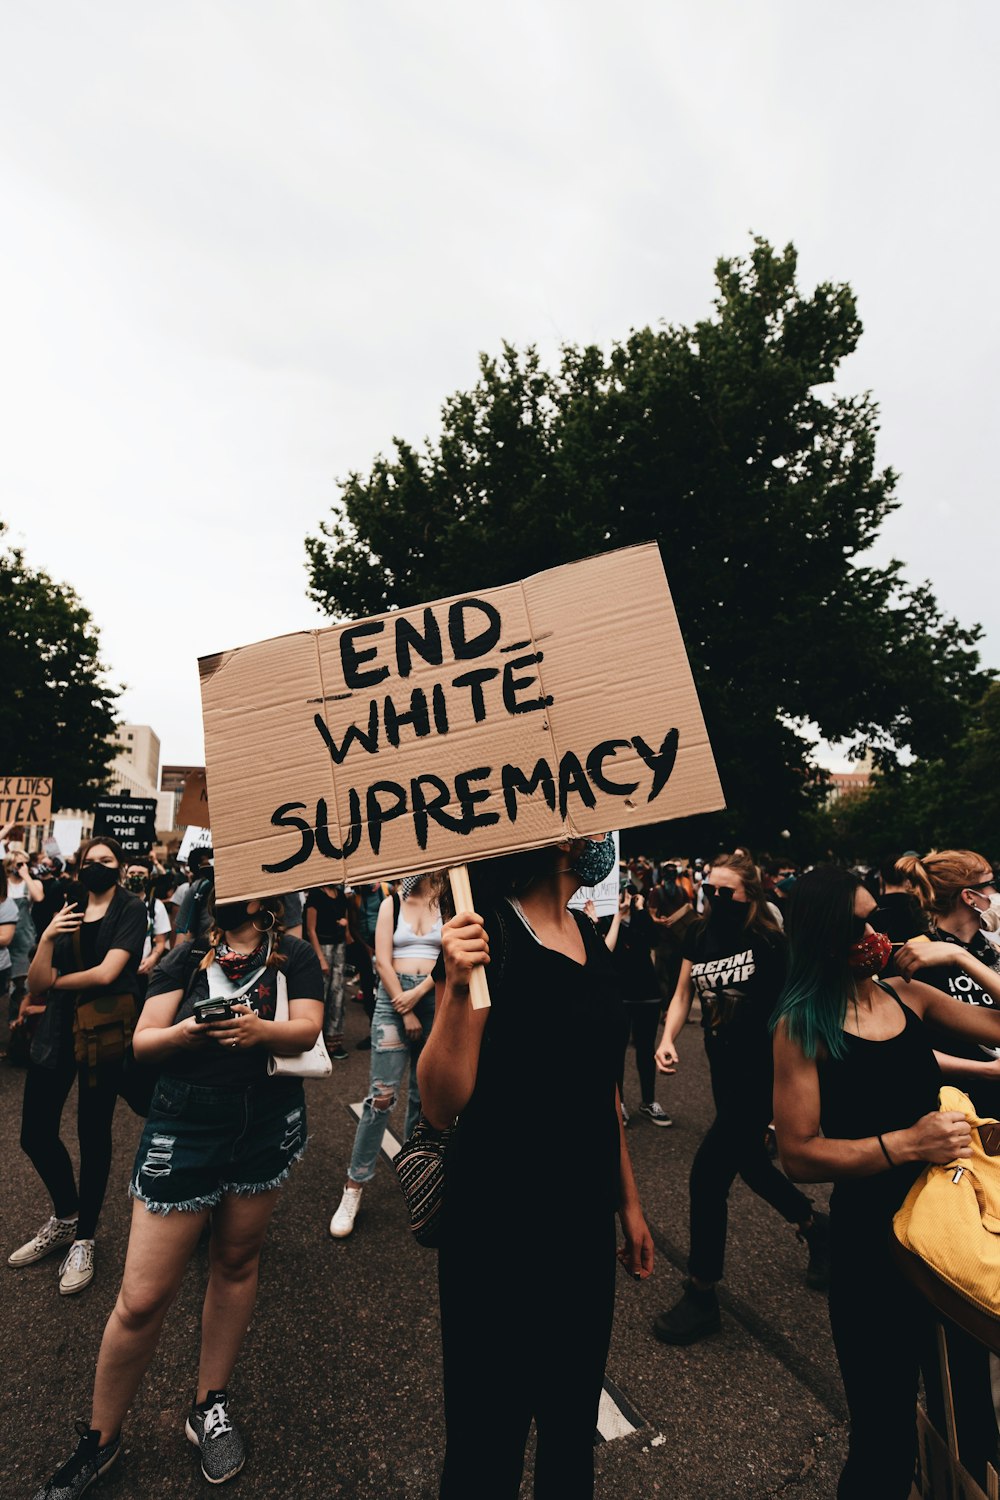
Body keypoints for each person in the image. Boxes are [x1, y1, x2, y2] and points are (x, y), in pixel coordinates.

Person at [30, 891, 324, 1496]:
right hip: (183, 1126)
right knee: (140, 1298)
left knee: (237, 1261)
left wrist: (260, 1029)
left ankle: (209, 1405)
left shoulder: (291, 955)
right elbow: (144, 1042)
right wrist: (189, 1033)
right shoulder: (186, 956)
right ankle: (100, 1439)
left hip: (266, 1124)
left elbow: (308, 1031)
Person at [419, 835, 654, 1499]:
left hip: (580, 1227)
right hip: (495, 1228)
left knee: (569, 1430)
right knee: (484, 1444)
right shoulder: (484, 929)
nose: (599, 833)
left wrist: (628, 1204)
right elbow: (439, 1102)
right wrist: (459, 985)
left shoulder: (586, 931)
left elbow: (602, 1088)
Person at [772, 864, 1000, 1499]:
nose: (876, 933)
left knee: (975, 1425)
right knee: (882, 1437)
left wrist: (966, 960)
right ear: (822, 935)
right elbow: (799, 1154)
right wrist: (907, 1144)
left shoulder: (913, 997)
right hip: (871, 1247)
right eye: (859, 924)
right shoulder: (800, 1025)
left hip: (950, 1231)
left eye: (877, 918)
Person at [652, 851, 826, 1345]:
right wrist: (667, 1038)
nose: (713, 897)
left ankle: (702, 1292)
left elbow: (795, 1009)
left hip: (762, 1076)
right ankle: (815, 1226)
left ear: (749, 894)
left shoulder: (768, 943)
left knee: (708, 1176)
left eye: (724, 891)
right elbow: (685, 991)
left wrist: (793, 1093)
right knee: (749, 1164)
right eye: (709, 888)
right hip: (722, 1072)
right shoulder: (701, 935)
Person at [11, 837, 146, 1295]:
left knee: (93, 1132)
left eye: (106, 861)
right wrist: (48, 938)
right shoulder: (65, 905)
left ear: (120, 866)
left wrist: (57, 982)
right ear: (79, 866)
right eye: (90, 861)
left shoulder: (131, 908)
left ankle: (85, 1237)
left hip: (104, 1032)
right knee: (34, 1132)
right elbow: (35, 980)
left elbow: (109, 973)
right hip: (56, 1030)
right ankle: (66, 1216)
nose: (97, 867)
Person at [328, 872, 443, 1238]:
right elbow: (381, 959)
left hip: (434, 1001)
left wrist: (421, 994)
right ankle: (354, 1187)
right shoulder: (392, 903)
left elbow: (449, 959)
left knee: (424, 1096)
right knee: (381, 1097)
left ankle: (414, 1174)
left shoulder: (450, 903)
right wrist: (404, 1006)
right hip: (394, 1003)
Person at [894, 850, 1000, 1116]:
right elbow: (903, 1049)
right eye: (991, 884)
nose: (996, 892)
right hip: (955, 1106)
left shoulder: (994, 950)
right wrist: (985, 1071)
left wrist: (960, 956)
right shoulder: (915, 956)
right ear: (969, 896)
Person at [601, 888, 672, 1127]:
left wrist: (641, 911)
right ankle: (617, 1103)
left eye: (630, 893)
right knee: (615, 1051)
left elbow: (652, 941)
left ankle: (649, 1101)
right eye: (621, 892)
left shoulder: (641, 917)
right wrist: (618, 917)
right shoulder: (607, 919)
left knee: (645, 1049)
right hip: (619, 994)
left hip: (646, 994)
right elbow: (607, 952)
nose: (625, 897)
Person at [304, 884, 350, 1061]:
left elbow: (345, 918)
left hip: (339, 946)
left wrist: (345, 926)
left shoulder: (340, 894)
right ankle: (316, 1042)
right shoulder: (315, 895)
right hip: (322, 947)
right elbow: (311, 930)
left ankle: (334, 1042)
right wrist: (321, 958)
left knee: (338, 994)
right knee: (320, 994)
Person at [125, 859, 171, 982]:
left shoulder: (156, 906)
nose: (135, 877)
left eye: (140, 874)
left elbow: (160, 942)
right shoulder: (116, 903)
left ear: (149, 877)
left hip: (142, 971)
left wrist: (152, 959)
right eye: (132, 873)